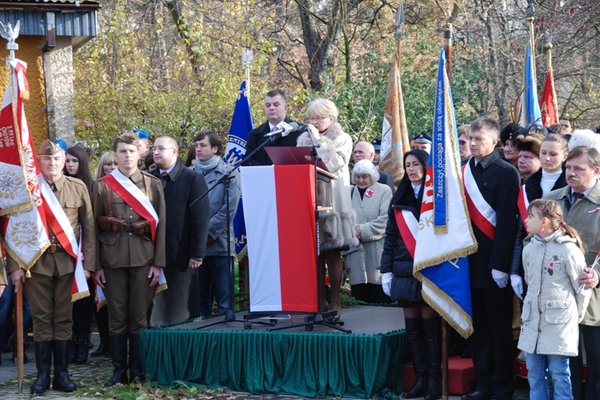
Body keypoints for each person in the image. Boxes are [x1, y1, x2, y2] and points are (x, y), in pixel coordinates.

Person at [7, 140, 96, 395]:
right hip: (37, 265)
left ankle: (62, 374)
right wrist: (14, 267)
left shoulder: (77, 187)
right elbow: (13, 229)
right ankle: (43, 374)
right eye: (47, 159)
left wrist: (89, 264)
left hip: (69, 264)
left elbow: (88, 228)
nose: (53, 164)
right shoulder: (28, 189)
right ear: (39, 161)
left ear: (63, 161)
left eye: (57, 159)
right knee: (42, 319)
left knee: (64, 318)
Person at [92, 132, 166, 387]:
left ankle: (138, 369)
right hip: (111, 258)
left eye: (131, 151)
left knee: (139, 316)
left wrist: (158, 263)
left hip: (143, 258)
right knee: (116, 316)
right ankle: (118, 371)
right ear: (115, 155)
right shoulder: (102, 185)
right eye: (122, 152)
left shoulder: (152, 184)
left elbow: (162, 225)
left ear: (139, 153)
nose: (126, 156)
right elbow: (92, 227)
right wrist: (96, 266)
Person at [461, 116, 519, 400]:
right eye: (470, 139)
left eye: (478, 139)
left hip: (496, 265)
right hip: (468, 265)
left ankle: (501, 386)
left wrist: (499, 264)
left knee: (499, 330)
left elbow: (508, 223)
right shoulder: (463, 171)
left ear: (494, 142)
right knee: (478, 329)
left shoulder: (507, 173)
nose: (472, 144)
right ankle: (483, 384)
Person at [380, 149, 441, 400]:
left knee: (430, 330)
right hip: (404, 271)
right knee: (413, 330)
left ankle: (434, 383)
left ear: (426, 167)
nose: (412, 169)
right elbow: (391, 238)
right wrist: (386, 271)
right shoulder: (400, 196)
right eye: (408, 165)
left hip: (429, 269)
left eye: (416, 164)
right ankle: (420, 379)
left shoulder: (437, 197)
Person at [518, 199, 591, 400]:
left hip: (559, 323)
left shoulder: (568, 250)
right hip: (532, 322)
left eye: (531, 216)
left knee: (559, 373)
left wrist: (575, 318)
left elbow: (582, 288)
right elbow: (529, 282)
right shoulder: (528, 249)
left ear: (545, 221)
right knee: (534, 374)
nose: (526, 219)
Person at [544, 146, 600, 400]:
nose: (571, 173)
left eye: (579, 168)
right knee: (566, 362)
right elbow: (535, 237)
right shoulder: (553, 199)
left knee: (597, 362)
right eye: (568, 167)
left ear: (596, 171)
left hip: (593, 296)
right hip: (559, 294)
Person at [297, 98, 358, 318]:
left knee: (332, 253)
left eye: (318, 118)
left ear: (331, 119)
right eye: (310, 118)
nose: (313, 122)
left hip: (333, 202)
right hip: (310, 201)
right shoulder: (303, 138)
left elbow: (332, 164)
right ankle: (317, 300)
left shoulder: (342, 138)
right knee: (314, 255)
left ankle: (335, 301)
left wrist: (318, 142)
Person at [150, 136, 209, 326]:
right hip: (152, 255)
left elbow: (200, 219)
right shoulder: (149, 178)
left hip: (181, 255)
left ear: (174, 152)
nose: (156, 152)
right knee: (156, 312)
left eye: (161, 148)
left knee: (180, 311)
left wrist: (197, 254)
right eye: (154, 148)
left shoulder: (192, 178)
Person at [190, 131, 241, 318]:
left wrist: (207, 231)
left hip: (220, 245)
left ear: (215, 148)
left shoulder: (229, 173)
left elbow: (230, 209)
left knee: (224, 303)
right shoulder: (189, 174)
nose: (198, 149)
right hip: (196, 248)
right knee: (200, 303)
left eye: (203, 145)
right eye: (196, 145)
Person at [63, 146, 95, 364]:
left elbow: (92, 225)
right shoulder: (59, 186)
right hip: (66, 252)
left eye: (75, 161)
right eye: (68, 161)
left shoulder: (92, 187)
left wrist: (91, 260)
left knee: (85, 303)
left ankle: (83, 344)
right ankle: (70, 344)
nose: (70, 165)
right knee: (68, 304)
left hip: (86, 255)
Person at [344, 159, 392, 303]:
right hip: (355, 254)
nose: (360, 180)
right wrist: (350, 231)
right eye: (357, 177)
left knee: (379, 300)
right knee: (359, 300)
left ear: (372, 176)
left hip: (376, 252)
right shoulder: (349, 191)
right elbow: (342, 217)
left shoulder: (384, 190)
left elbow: (386, 218)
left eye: (364, 176)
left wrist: (362, 230)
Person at [90, 150, 118, 359]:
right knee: (100, 301)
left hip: (119, 251)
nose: (110, 168)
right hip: (101, 248)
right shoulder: (96, 187)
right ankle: (104, 342)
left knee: (116, 302)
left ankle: (116, 344)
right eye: (107, 165)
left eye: (114, 164)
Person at [244, 90, 298, 166]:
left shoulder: (298, 131)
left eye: (276, 105)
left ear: (285, 108)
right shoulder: (255, 134)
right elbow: (247, 161)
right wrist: (267, 171)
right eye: (268, 105)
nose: (271, 108)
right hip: (262, 176)